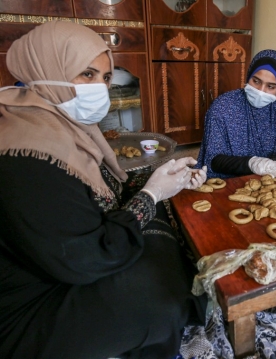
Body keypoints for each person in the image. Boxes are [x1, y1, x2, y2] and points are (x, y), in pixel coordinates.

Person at [0, 21, 208, 358]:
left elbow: (102, 193)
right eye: (86, 74)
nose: (100, 88)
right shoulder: (26, 151)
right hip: (30, 304)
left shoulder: (58, 125)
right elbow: (88, 258)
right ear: (45, 69)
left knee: (162, 239)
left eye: (105, 77)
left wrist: (165, 180)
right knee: (162, 298)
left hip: (62, 263)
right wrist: (152, 194)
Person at [196, 49, 276, 179]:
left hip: (269, 180)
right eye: (256, 81)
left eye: (270, 86)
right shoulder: (223, 107)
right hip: (227, 180)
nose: (261, 91)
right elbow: (213, 161)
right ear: (248, 77)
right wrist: (251, 163)